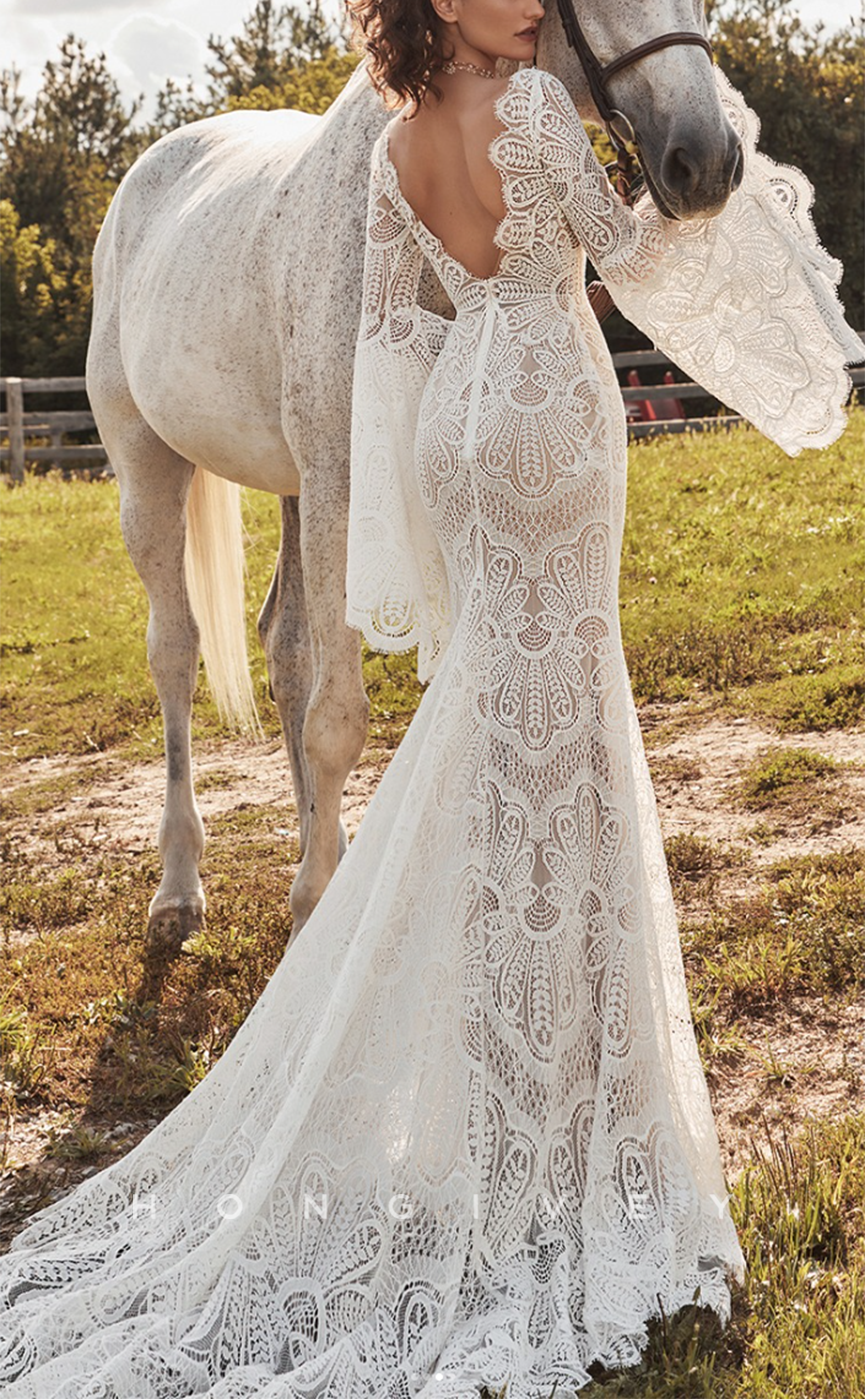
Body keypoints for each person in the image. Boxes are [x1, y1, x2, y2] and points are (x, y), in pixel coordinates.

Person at [1, 0, 863, 1394]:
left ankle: (462, 997)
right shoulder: (529, 117)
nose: (529, 2)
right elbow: (629, 251)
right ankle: (563, 1068)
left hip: (463, 416)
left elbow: (385, 346)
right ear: (438, 4)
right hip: (546, 416)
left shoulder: (391, 142)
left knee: (487, 704)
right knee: (570, 710)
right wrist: (721, 218)